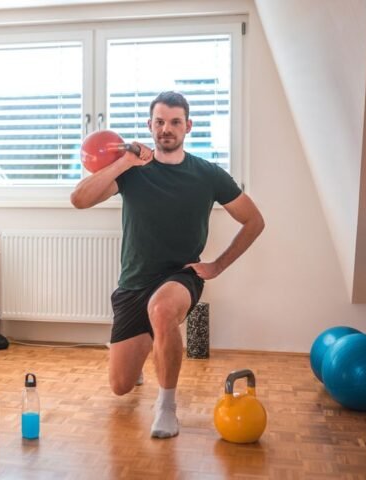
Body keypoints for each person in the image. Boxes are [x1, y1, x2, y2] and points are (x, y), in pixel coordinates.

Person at [70, 91, 264, 439]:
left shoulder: (208, 174)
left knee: (162, 311)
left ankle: (166, 406)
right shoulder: (132, 172)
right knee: (120, 386)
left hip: (180, 275)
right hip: (134, 281)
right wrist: (124, 163)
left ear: (188, 126)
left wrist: (217, 265)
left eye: (175, 122)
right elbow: (79, 200)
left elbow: (254, 221)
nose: (166, 129)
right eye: (159, 122)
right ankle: (144, 353)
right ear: (150, 126)